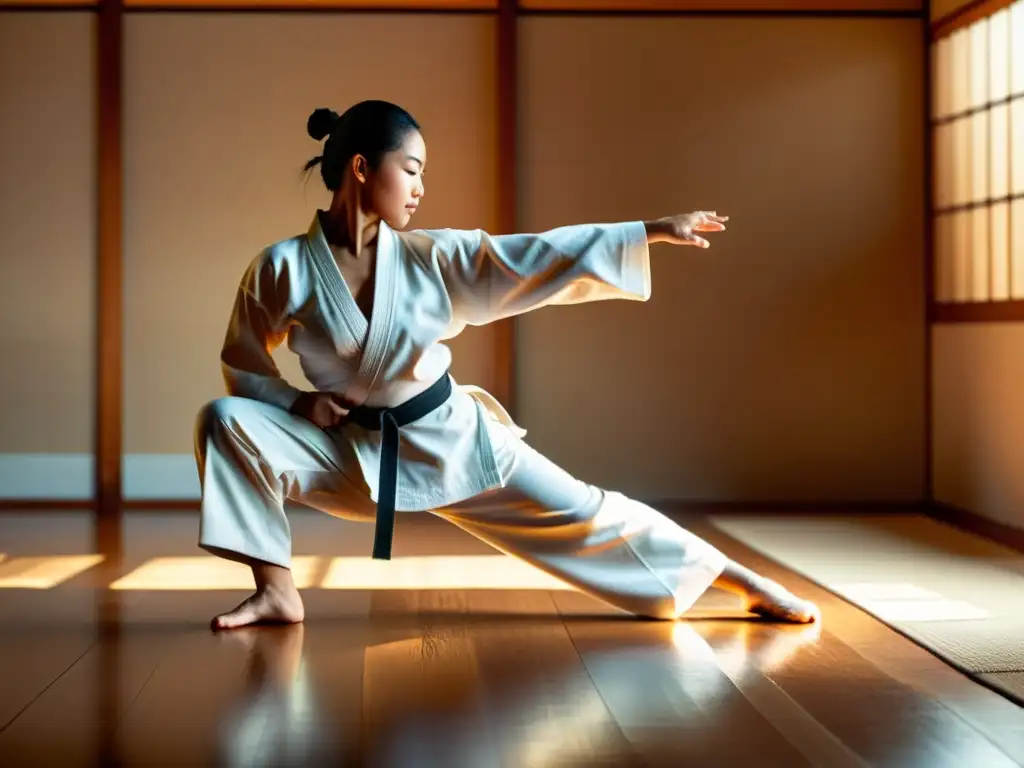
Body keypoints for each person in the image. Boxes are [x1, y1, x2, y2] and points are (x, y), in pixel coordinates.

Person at [194, 100, 820, 631]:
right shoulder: (282, 268)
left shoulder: (433, 257)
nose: (420, 188)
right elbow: (245, 369)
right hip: (352, 457)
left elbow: (534, 256)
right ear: (361, 168)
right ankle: (277, 589)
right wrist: (301, 404)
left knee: (590, 512)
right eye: (410, 170)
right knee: (224, 419)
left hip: (451, 442)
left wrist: (649, 231)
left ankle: (739, 579)